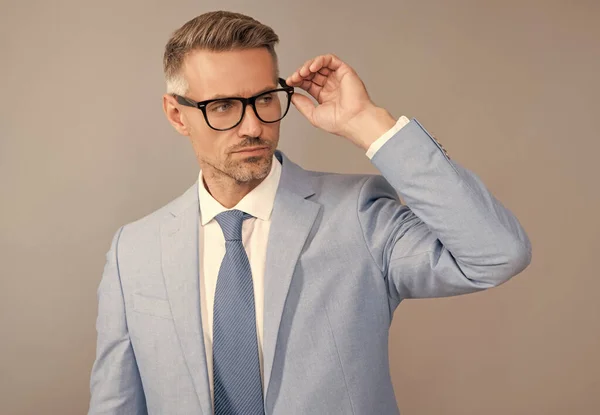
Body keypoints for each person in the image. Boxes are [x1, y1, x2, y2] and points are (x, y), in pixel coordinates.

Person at [88, 10, 532, 415]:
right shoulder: (134, 251)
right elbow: (117, 404)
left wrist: (369, 124)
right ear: (177, 115)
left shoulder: (358, 216)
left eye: (265, 98)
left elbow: (497, 253)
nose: (253, 126)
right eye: (222, 106)